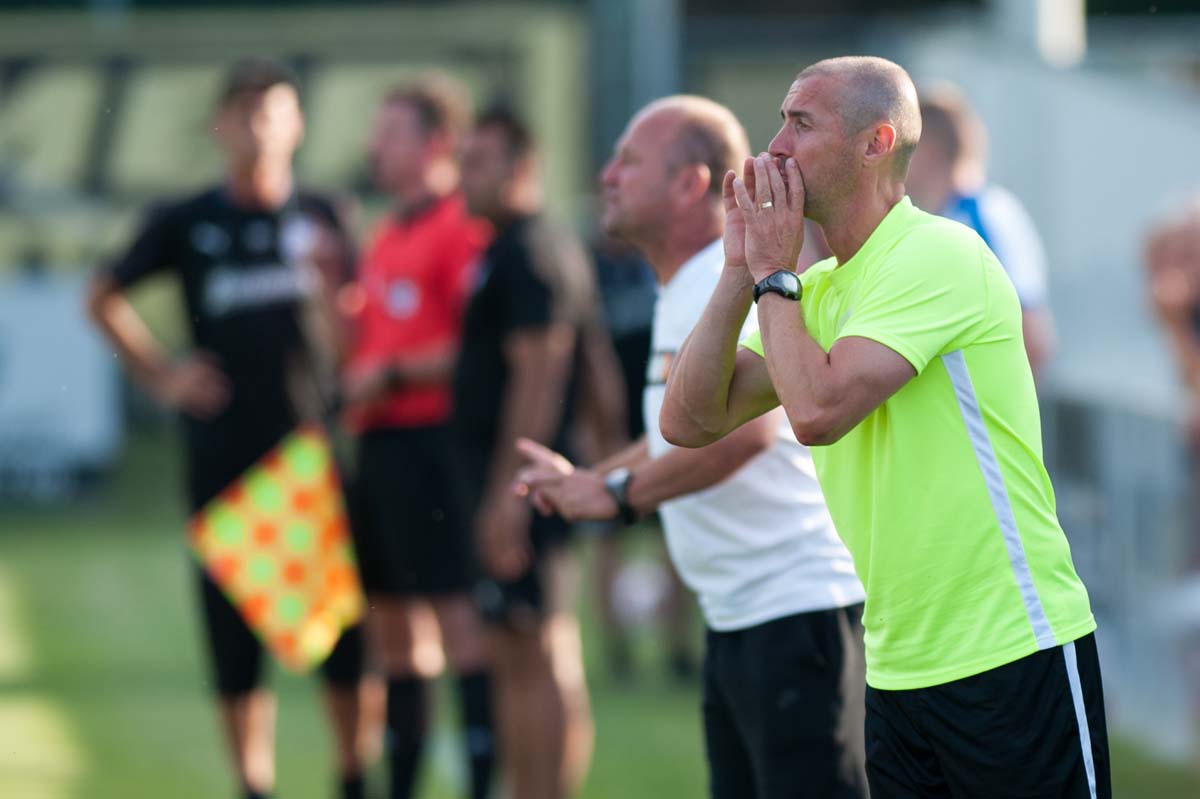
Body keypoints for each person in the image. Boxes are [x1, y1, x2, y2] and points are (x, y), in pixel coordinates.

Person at [659, 57, 1109, 798]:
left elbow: (818, 413)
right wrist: (740, 272)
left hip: (1010, 649)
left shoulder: (936, 253)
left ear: (877, 143)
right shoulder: (814, 291)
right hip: (898, 671)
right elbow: (688, 418)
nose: (775, 147)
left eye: (802, 124)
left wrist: (772, 275)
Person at [513, 95, 869, 798]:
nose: (607, 176)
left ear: (689, 185)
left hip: (796, 617)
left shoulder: (720, 280)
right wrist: (596, 478)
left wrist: (620, 497)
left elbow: (745, 434)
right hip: (744, 618)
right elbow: (675, 434)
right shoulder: (691, 283)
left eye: (629, 161)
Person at [85, 59, 369, 799]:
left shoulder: (326, 215)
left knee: (341, 633)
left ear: (297, 124)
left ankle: (353, 775)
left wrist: (334, 290)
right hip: (224, 458)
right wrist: (164, 376)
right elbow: (102, 296)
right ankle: (253, 785)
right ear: (218, 125)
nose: (257, 127)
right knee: (234, 638)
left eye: (271, 111)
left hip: (312, 454)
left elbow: (359, 339)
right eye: (243, 112)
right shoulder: (186, 220)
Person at [340, 77, 494, 799]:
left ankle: (483, 777)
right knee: (392, 623)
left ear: (437, 143)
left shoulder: (461, 226)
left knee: (457, 615)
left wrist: (393, 373)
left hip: (432, 443)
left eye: (391, 133)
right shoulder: (386, 232)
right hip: (378, 446)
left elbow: (478, 345)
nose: (375, 147)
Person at [455, 107, 598, 799]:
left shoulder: (532, 252)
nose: (463, 176)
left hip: (528, 488)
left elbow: (542, 372)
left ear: (521, 167)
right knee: (514, 649)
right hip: (517, 483)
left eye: (479, 162)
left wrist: (507, 497)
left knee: (538, 647)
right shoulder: (510, 246)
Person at [905, 84, 1055, 377]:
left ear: (928, 150)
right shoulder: (952, 217)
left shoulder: (979, 218)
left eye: (905, 146)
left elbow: (1031, 335)